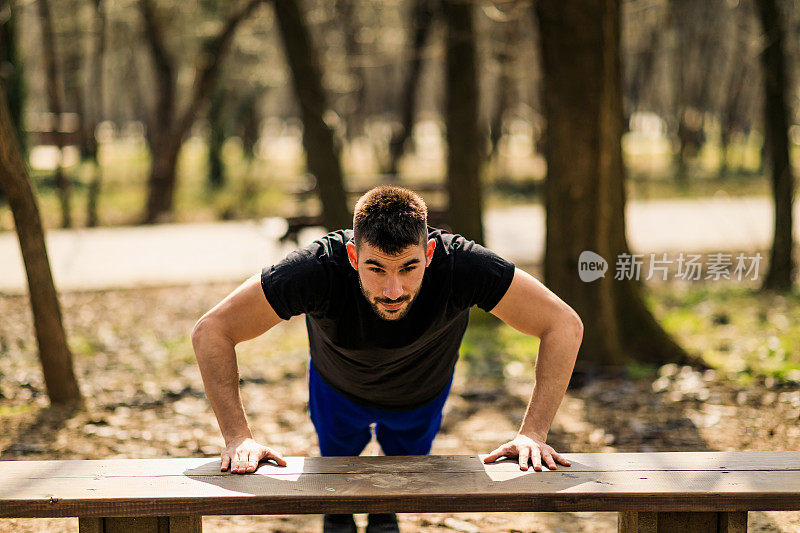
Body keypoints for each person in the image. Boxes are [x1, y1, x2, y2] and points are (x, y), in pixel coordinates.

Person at [191, 186, 583, 533]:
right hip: (336, 387)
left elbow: (563, 324)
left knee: (398, 484)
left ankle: (385, 515)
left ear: (429, 252)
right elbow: (212, 331)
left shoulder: (463, 266)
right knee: (335, 477)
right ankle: (337, 515)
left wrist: (533, 433)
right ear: (352, 254)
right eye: (375, 268)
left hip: (422, 393)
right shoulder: (315, 269)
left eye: (409, 268)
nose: (393, 289)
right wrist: (238, 437)